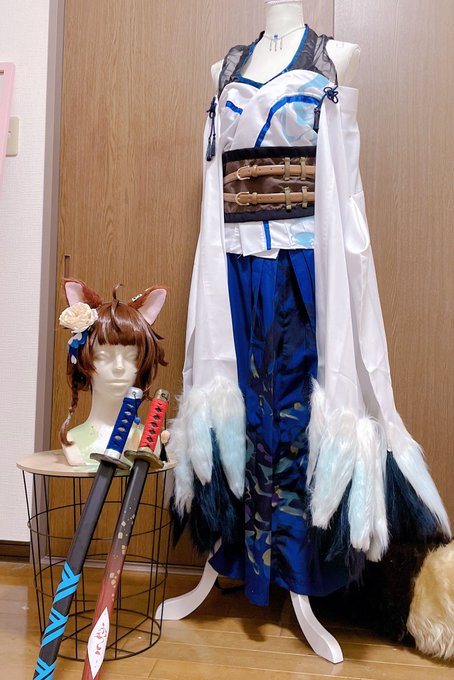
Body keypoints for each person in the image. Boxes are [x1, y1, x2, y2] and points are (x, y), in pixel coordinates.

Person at [59, 278, 166, 466]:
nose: (119, 366)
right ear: (84, 361)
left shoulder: (149, 442)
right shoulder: (73, 442)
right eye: (103, 356)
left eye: (132, 357)